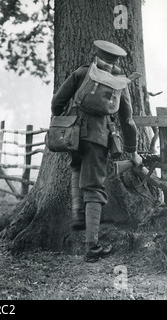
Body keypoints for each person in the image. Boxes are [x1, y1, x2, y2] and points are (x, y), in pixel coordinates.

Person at [51, 40, 142, 263]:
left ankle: (78, 216)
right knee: (94, 186)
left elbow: (57, 102)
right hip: (98, 138)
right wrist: (132, 150)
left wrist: (65, 118)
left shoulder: (82, 72)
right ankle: (92, 246)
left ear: (96, 55)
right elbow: (127, 119)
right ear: (117, 61)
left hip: (73, 134)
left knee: (75, 166)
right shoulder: (120, 82)